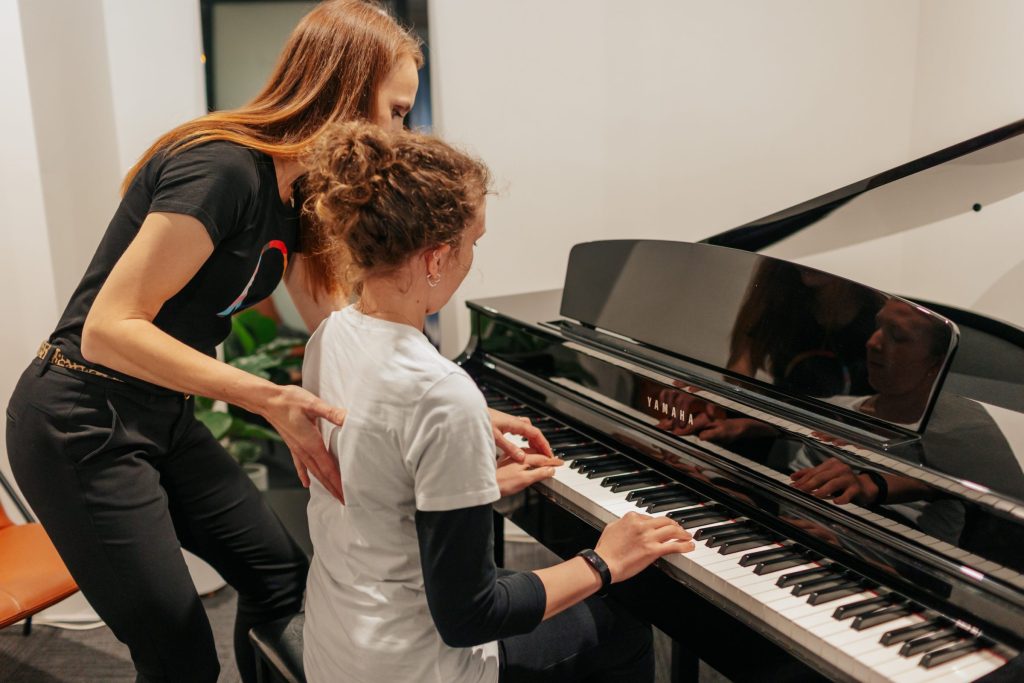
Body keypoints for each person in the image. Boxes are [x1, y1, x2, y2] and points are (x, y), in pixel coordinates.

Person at [4, 3, 546, 681]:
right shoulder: (222, 169)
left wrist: (457, 406)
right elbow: (108, 329)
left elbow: (344, 322)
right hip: (79, 420)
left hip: (161, 414)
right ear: (344, 92)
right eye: (396, 110)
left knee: (280, 579)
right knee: (178, 652)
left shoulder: (298, 192)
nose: (401, 133)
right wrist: (268, 397)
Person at [300, 122, 694, 683]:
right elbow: (470, 615)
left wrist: (464, 489)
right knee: (624, 626)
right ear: (435, 258)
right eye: (473, 243)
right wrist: (605, 560)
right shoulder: (441, 393)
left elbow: (371, 480)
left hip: (340, 642)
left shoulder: (332, 336)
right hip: (416, 667)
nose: (471, 260)